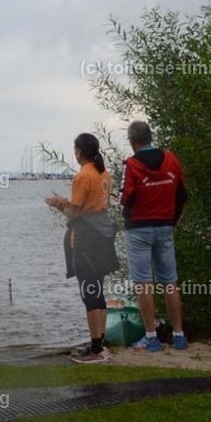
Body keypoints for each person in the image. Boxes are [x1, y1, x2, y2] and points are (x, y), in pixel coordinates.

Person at [46, 133, 119, 364]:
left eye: (74, 149)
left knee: (89, 293)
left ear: (78, 151)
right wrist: (68, 204)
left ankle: (96, 348)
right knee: (98, 290)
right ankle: (100, 341)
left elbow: (75, 213)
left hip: (86, 239)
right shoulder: (103, 173)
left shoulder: (82, 176)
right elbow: (92, 206)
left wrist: (59, 205)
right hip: (103, 236)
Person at [120, 121, 188, 352]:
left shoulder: (131, 165)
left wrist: (128, 218)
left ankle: (151, 337)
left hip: (138, 229)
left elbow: (126, 198)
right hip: (165, 226)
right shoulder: (172, 159)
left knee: (143, 283)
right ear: (150, 137)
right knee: (170, 281)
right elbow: (182, 194)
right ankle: (179, 335)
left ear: (133, 141)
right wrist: (173, 220)